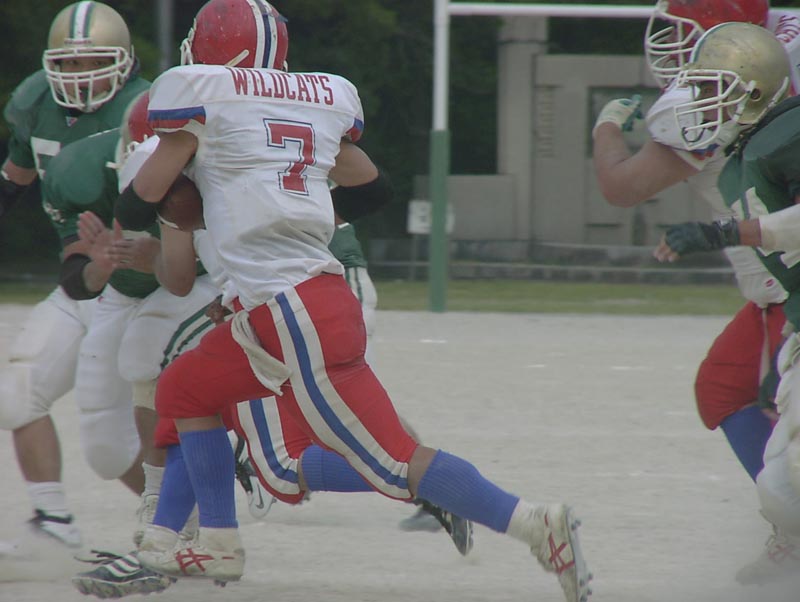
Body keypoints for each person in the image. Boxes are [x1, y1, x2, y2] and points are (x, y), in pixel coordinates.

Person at [112, 2, 591, 601]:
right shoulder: (310, 102)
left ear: (212, 49)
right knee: (184, 389)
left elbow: (136, 203)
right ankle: (217, 542)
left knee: (396, 462)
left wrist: (203, 199)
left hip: (295, 312)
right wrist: (285, 212)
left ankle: (534, 523)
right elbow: (374, 189)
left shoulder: (205, 101)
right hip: (287, 307)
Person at [593, 0, 800, 487]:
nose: (673, 44)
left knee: (762, 405)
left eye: (683, 31)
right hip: (777, 271)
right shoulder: (780, 50)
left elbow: (621, 187)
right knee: (723, 385)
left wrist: (605, 127)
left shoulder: (716, 100)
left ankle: (788, 513)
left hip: (784, 282)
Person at [651, 21, 800, 584]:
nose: (700, 101)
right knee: (781, 491)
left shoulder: (789, 134)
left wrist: (726, 233)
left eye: (713, 89)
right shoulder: (745, 150)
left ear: (755, 92)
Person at [0, 1, 150, 549]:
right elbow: (13, 181)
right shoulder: (35, 102)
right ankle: (54, 519)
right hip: (84, 274)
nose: (79, 75)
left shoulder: (148, 109)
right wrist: (90, 267)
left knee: (117, 438)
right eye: (67, 64)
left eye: (92, 62)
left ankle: (184, 517)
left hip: (143, 287)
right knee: (17, 392)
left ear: (123, 62)